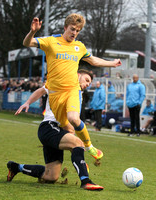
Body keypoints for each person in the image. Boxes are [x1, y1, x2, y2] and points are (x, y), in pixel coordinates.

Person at [23, 13, 121, 160]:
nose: (74, 33)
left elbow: (93, 60)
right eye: (72, 29)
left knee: (74, 118)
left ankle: (89, 147)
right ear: (65, 27)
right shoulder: (51, 41)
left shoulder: (79, 46)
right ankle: (79, 161)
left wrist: (111, 63)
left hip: (72, 90)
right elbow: (27, 43)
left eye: (78, 30)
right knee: (67, 128)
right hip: (56, 95)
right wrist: (33, 31)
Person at [7, 70, 104, 191]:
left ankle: (16, 167)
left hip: (58, 132)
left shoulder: (78, 95)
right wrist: (27, 102)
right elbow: (42, 90)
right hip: (49, 127)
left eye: (89, 83)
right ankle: (86, 181)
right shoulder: (62, 84)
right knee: (78, 143)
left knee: (51, 176)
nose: (87, 84)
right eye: (86, 80)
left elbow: (71, 124)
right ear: (78, 75)